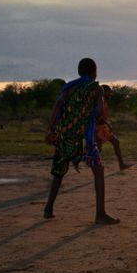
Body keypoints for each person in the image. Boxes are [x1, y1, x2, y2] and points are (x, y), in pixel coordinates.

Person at [43, 57, 120, 224]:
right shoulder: (96, 88)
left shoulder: (69, 87)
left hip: (64, 134)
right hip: (84, 136)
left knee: (59, 172)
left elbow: (58, 105)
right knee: (98, 170)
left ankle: (48, 208)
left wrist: (51, 129)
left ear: (79, 71)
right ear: (94, 71)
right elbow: (99, 111)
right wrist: (90, 115)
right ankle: (100, 214)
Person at [96, 85, 132, 171]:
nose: (110, 94)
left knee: (116, 142)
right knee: (98, 148)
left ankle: (121, 164)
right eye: (109, 92)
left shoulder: (104, 101)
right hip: (97, 128)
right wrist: (107, 124)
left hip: (103, 127)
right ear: (104, 92)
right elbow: (97, 116)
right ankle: (96, 167)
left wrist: (106, 124)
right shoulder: (99, 102)